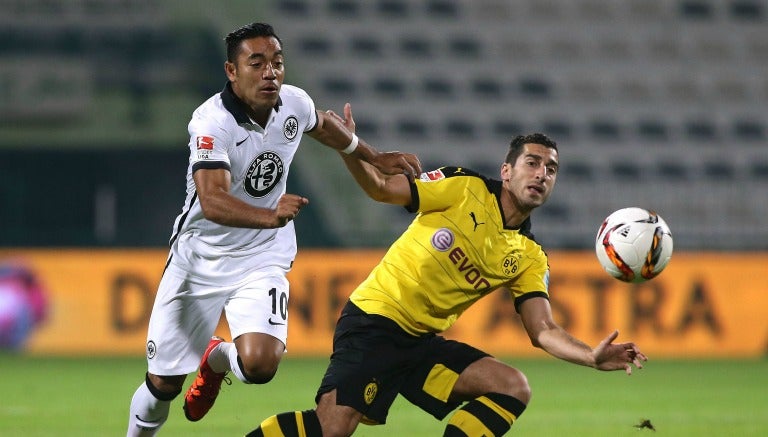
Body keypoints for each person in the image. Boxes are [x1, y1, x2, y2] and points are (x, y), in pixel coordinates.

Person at [246, 107, 647, 437]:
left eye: (552, 169)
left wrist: (590, 357)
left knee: (512, 386)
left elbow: (542, 331)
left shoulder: (530, 256)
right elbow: (382, 189)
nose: (542, 173)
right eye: (532, 162)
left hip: (420, 343)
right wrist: (350, 147)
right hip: (375, 320)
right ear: (507, 171)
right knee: (331, 430)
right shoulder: (463, 187)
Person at [126, 23, 421, 436]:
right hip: (201, 257)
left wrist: (374, 155)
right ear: (232, 70)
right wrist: (270, 215)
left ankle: (214, 360)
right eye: (257, 63)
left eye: (277, 63)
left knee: (261, 366)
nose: (271, 73)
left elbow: (322, 125)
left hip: (262, 254)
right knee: (163, 386)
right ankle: (187, 381)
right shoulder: (211, 122)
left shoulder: (293, 102)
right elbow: (212, 201)